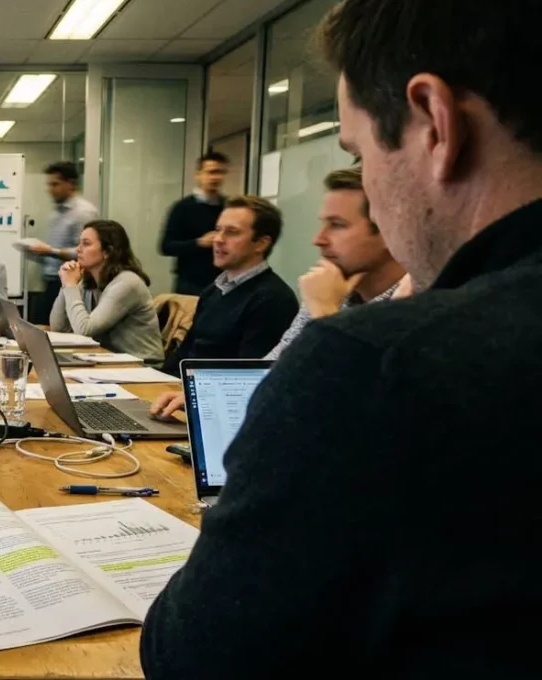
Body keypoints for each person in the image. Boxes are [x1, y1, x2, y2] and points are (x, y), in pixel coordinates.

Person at [142, 1, 542, 676]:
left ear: (435, 123)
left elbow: (193, 657)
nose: (375, 205)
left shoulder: (383, 364)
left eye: (359, 156)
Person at [149, 166, 407, 417]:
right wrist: (205, 396)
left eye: (337, 225)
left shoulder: (413, 308)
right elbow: (271, 371)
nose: (318, 239)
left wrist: (326, 318)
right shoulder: (329, 294)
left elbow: (363, 411)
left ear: (387, 230)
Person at [158, 196, 297, 376]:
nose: (218, 239)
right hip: (183, 391)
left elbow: (245, 378)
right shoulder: (213, 290)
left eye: (232, 232)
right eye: (218, 230)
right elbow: (184, 354)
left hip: (213, 398)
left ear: (261, 243)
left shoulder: (273, 300)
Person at [50, 220, 164, 362]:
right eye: (79, 243)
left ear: (108, 252)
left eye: (86, 244)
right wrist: (66, 283)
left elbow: (85, 330)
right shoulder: (87, 280)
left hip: (143, 367)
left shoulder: (127, 283)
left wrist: (70, 285)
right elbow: (58, 327)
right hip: (109, 360)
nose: (78, 249)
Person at [26, 162, 99, 324]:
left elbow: (84, 252)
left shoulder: (83, 213)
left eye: (55, 184)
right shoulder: (56, 213)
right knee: (41, 326)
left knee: (60, 329)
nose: (50, 189)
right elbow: (54, 251)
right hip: (51, 280)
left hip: (72, 282)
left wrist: (51, 251)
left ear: (71, 184)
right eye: (49, 185)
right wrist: (37, 253)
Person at [160, 152, 231, 295]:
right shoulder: (182, 207)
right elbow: (166, 246)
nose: (216, 177)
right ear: (198, 175)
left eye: (221, 172)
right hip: (191, 284)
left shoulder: (228, 206)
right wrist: (199, 243)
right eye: (211, 172)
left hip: (223, 281)